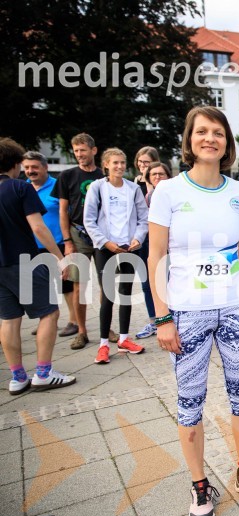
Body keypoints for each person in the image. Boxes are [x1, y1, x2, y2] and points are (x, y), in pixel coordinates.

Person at [148, 106, 239, 516]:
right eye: (202, 132)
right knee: (189, 403)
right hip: (187, 314)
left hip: (235, 309)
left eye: (218, 133)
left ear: (227, 143)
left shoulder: (238, 192)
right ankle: (200, 483)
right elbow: (156, 255)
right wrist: (162, 317)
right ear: (189, 140)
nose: (210, 139)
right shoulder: (167, 192)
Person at [0, 138, 75, 394]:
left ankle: (17, 377)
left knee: (9, 320)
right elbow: (38, 227)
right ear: (16, 163)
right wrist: (58, 256)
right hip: (25, 260)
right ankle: (43, 373)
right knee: (49, 313)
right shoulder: (20, 188)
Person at [84, 148, 148, 364]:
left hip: (129, 248)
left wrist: (138, 238)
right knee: (108, 296)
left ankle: (123, 339)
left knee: (126, 293)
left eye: (122, 162)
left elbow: (143, 218)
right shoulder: (98, 188)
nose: (120, 166)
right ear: (106, 166)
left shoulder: (133, 189)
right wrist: (106, 243)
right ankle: (103, 344)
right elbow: (89, 220)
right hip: (105, 248)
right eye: (115, 163)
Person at [51, 133, 107, 350]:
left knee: (106, 285)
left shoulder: (104, 176)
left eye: (83, 150)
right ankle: (82, 331)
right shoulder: (67, 176)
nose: (79, 155)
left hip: (102, 236)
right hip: (77, 234)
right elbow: (63, 210)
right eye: (76, 151)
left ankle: (105, 327)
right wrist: (67, 241)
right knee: (78, 286)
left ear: (94, 150)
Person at [22, 152, 76, 337]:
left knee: (66, 285)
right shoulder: (24, 188)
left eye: (35, 167)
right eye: (27, 167)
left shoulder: (57, 186)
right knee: (41, 286)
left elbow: (67, 213)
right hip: (33, 246)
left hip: (58, 243)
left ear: (45, 167)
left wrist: (69, 241)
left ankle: (73, 320)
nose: (30, 171)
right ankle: (47, 320)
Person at [135, 161, 172, 339]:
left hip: (172, 246)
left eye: (161, 174)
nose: (157, 177)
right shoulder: (147, 197)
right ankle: (156, 320)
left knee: (171, 281)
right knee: (150, 283)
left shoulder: (173, 194)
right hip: (150, 243)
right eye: (153, 175)